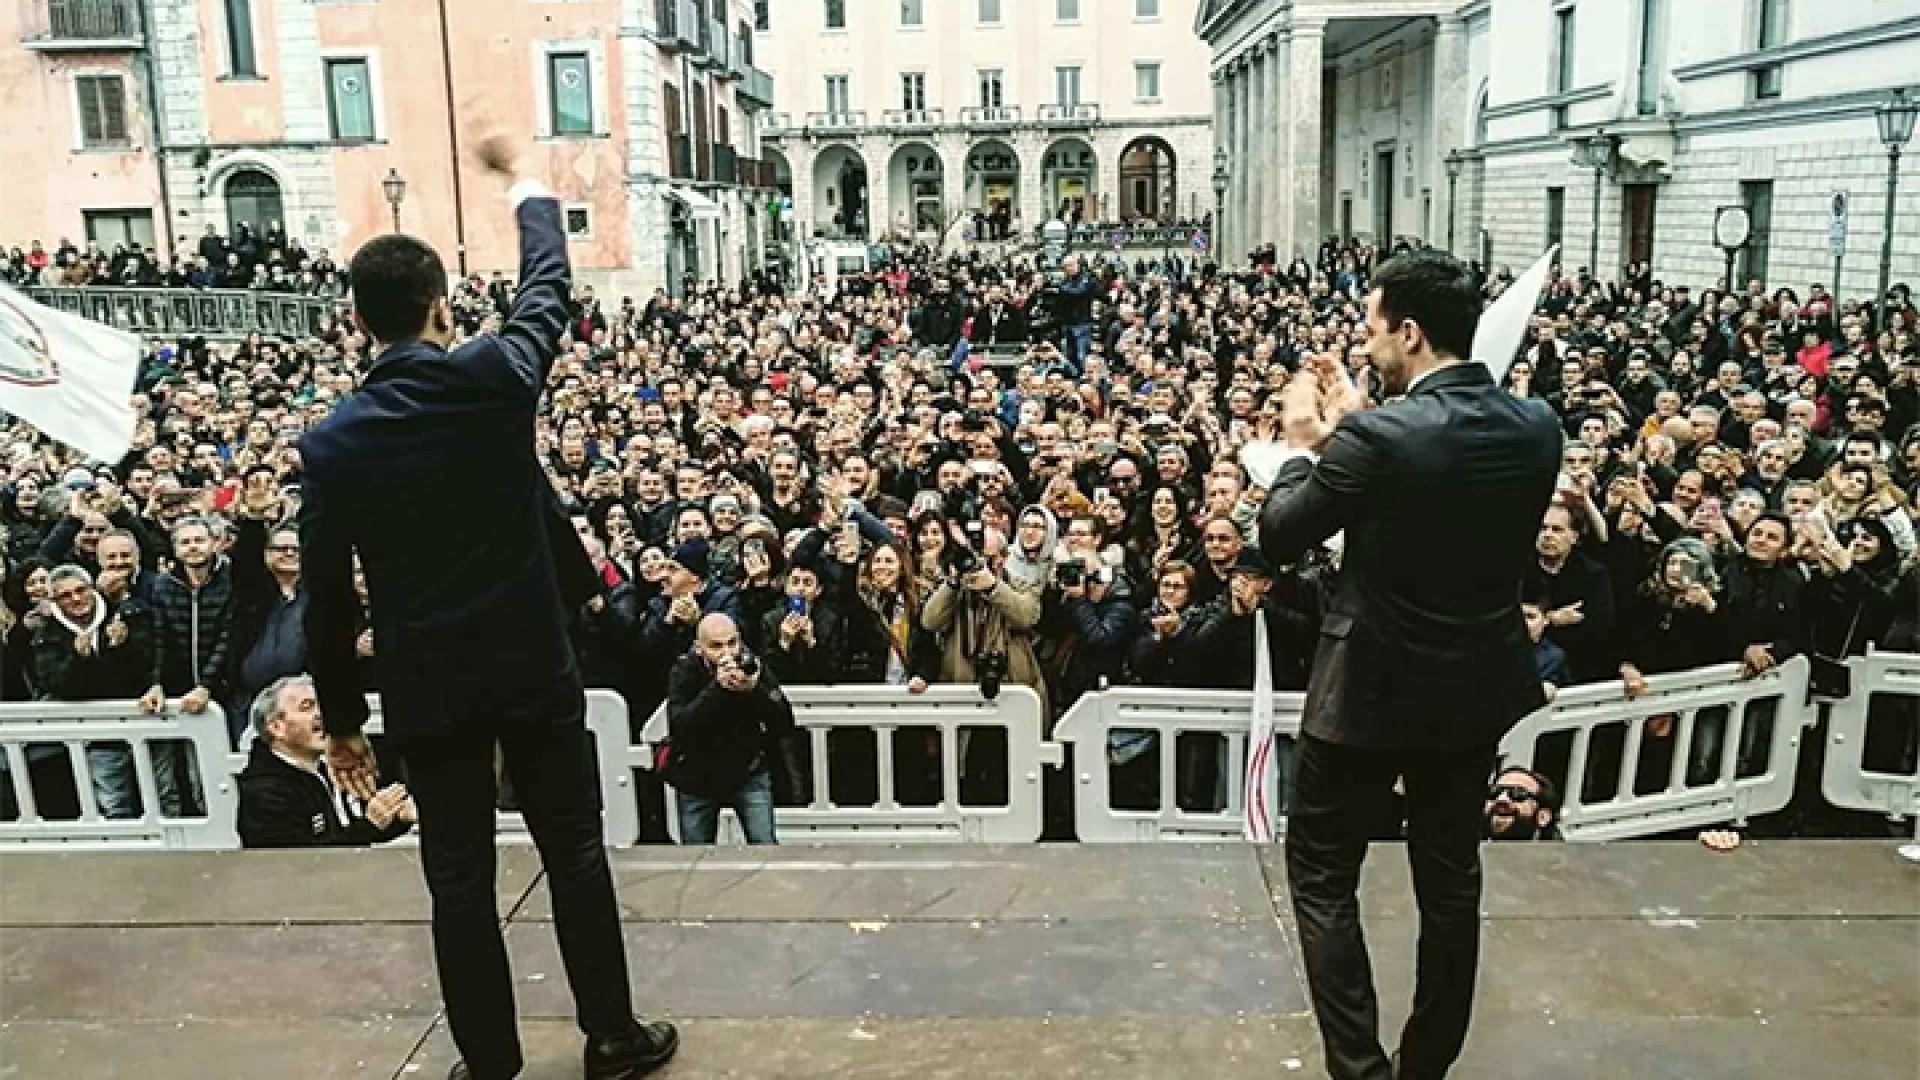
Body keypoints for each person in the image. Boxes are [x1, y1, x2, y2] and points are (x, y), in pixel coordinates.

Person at [297, 134, 677, 1080]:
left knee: (457, 877)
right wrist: (530, 191)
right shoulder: (497, 378)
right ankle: (612, 1038)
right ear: (442, 307)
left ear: (357, 323)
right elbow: (548, 288)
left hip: (429, 685)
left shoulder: (332, 444)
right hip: (528, 663)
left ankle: (490, 1066)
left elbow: (327, 608)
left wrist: (343, 724)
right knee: (574, 851)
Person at [1258, 250, 1561, 1080]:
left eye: (1372, 325)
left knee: (1322, 878)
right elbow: (1436, 478)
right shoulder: (1537, 426)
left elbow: (1280, 534)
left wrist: (1304, 446)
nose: (1365, 338)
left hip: (1366, 694)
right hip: (1471, 691)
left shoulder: (1379, 437)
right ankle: (1426, 1064)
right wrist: (1362, 426)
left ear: (1411, 332)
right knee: (1450, 878)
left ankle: (1361, 1071)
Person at [236, 675, 415, 848]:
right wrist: (369, 825)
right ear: (276, 727)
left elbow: (352, 834)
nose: (320, 714)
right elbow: (302, 861)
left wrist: (397, 817)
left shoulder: (326, 769)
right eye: (307, 707)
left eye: (322, 706)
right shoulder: (264, 792)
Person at [663, 613, 795, 844]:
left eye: (732, 643)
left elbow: (784, 720)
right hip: (698, 775)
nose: (727, 652)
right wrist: (716, 689)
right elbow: (681, 725)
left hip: (747, 770)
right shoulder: (685, 670)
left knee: (764, 845)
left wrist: (754, 690)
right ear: (699, 647)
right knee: (696, 854)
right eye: (716, 646)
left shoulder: (752, 665)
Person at [1483, 766, 1563, 841]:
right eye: (1495, 792)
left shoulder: (1563, 855)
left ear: (1543, 817)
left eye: (1518, 793)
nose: (1501, 799)